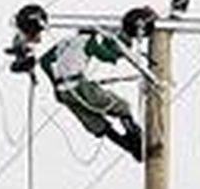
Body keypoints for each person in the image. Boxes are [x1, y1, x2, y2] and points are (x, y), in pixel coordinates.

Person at [37, 29, 144, 162]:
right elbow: (106, 56)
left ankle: (127, 146)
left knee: (94, 122)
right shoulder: (88, 40)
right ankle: (135, 139)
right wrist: (119, 49)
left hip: (64, 91)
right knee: (120, 106)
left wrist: (55, 85)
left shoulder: (66, 41)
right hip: (79, 87)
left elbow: (44, 62)